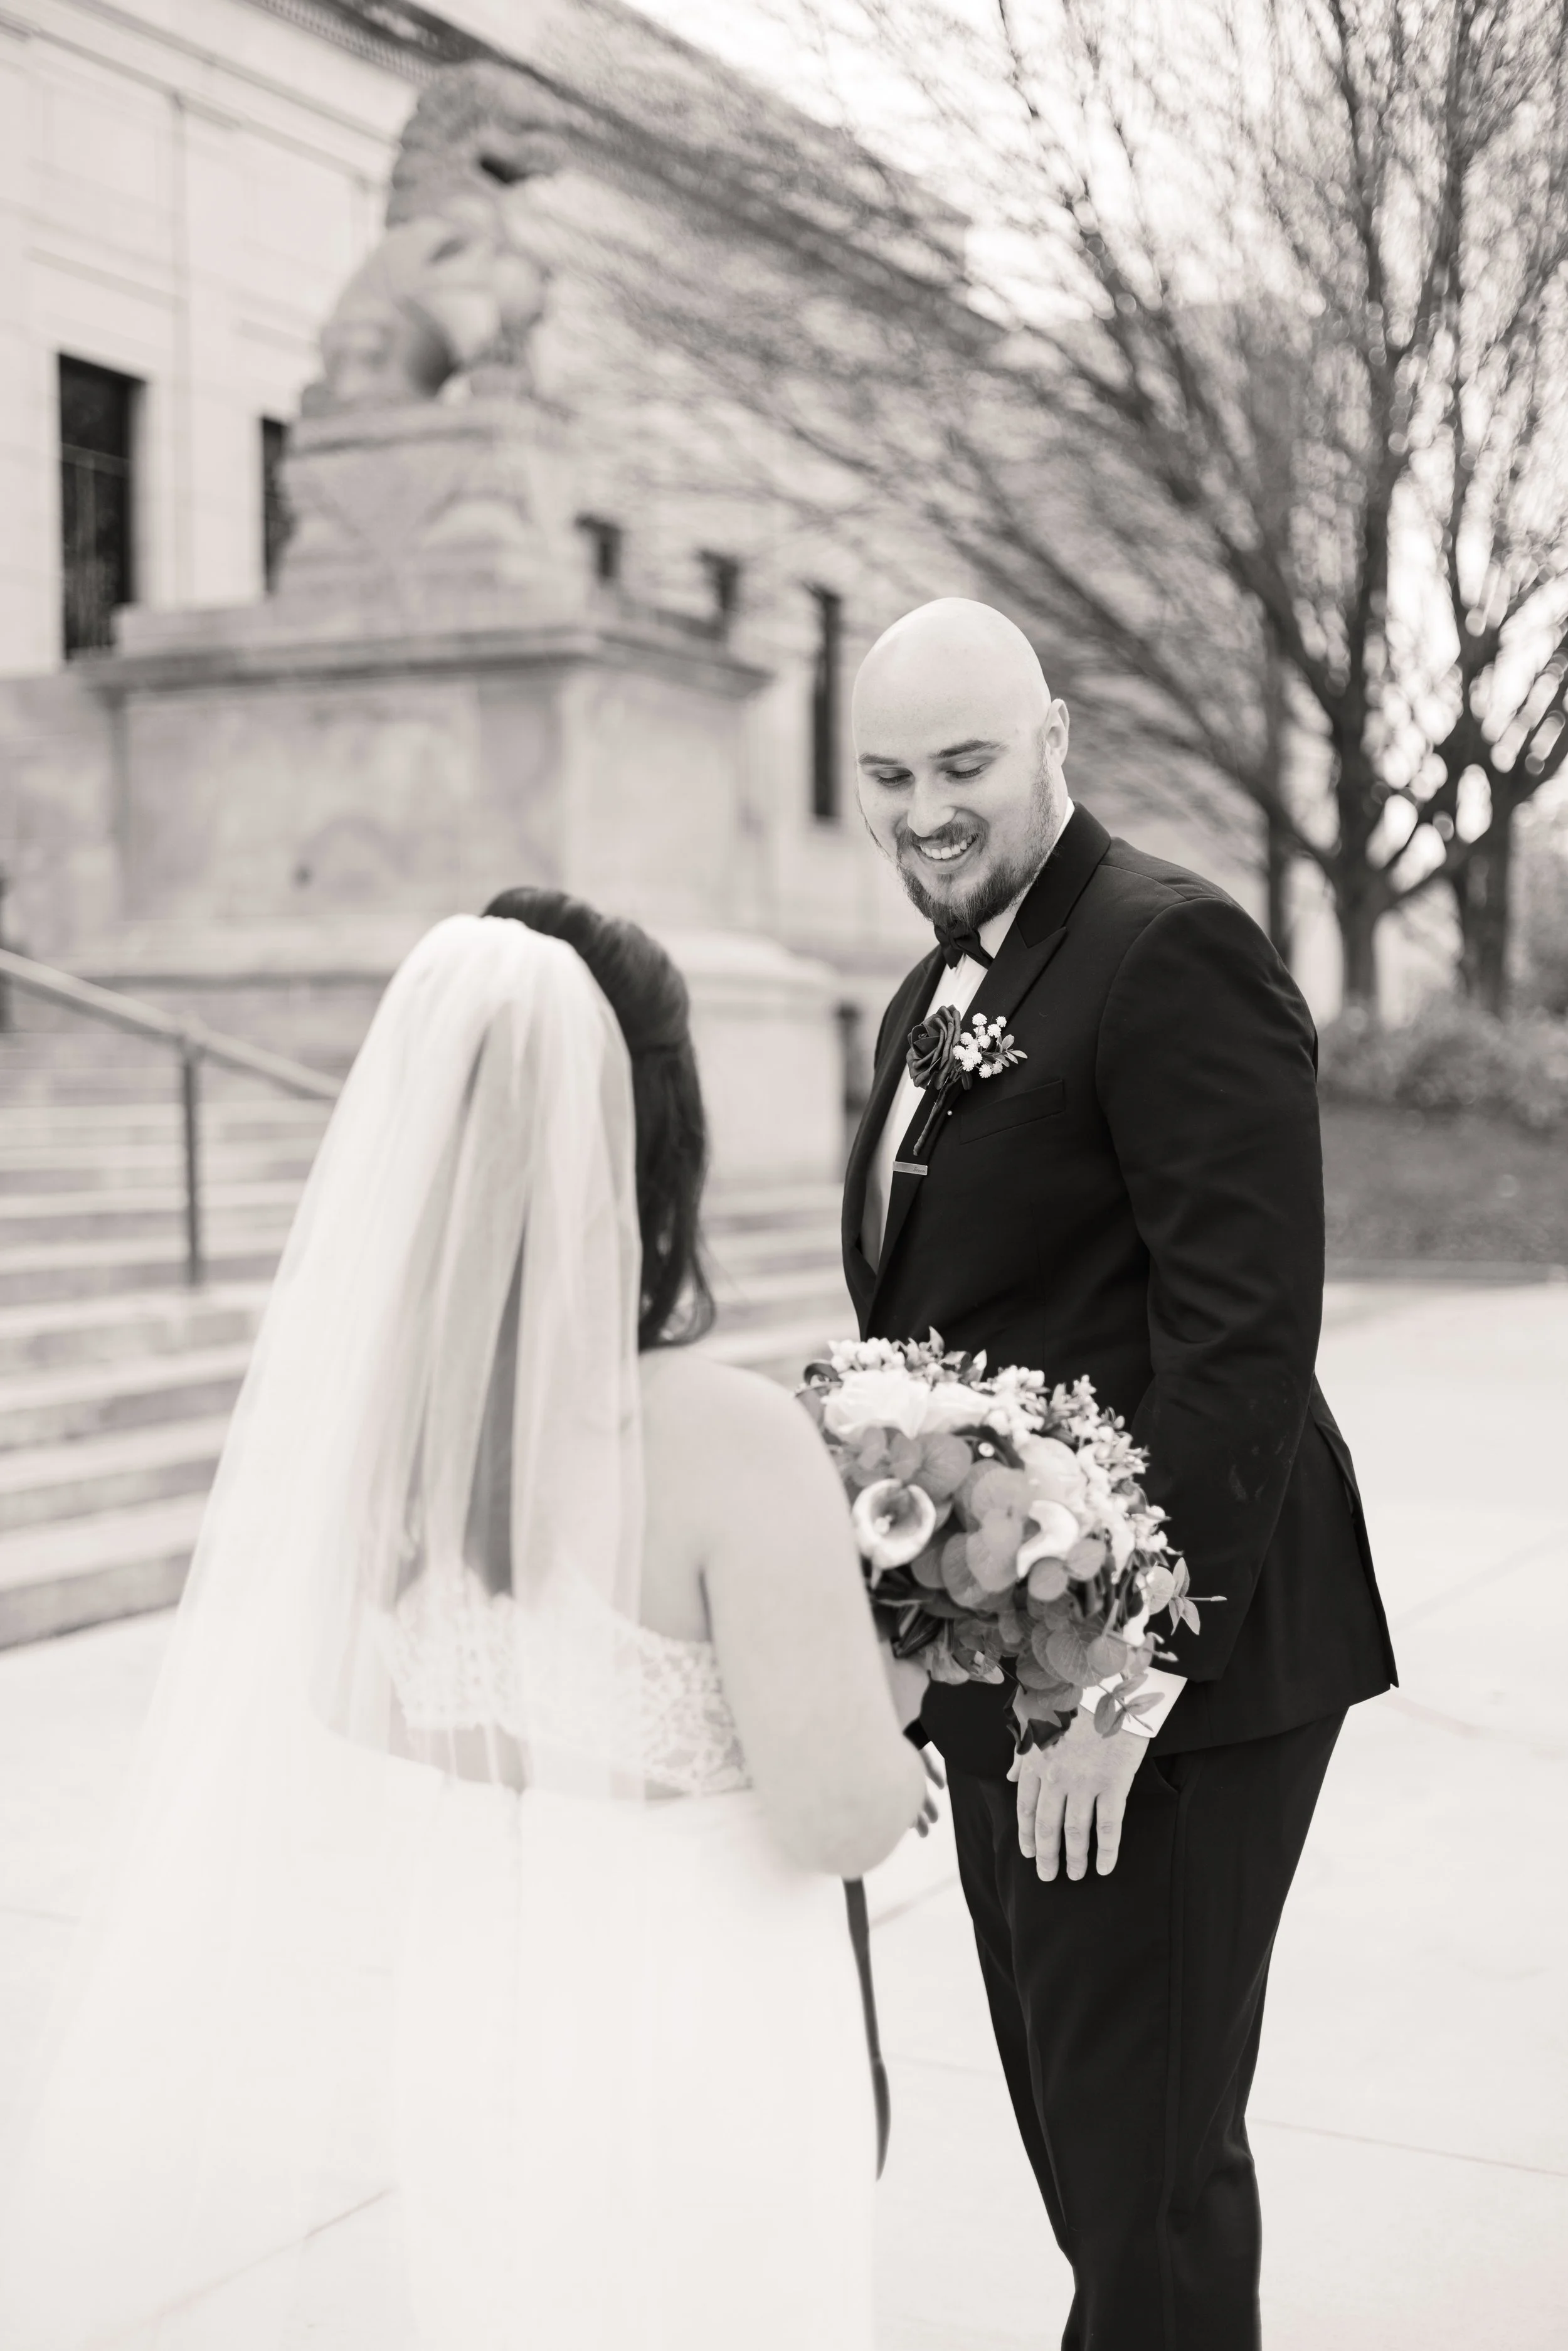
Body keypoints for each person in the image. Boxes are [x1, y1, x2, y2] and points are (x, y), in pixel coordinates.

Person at [0, 899, 927, 2351]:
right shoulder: (728, 1440)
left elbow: (347, 1690)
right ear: (658, 1135)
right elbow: (843, 1813)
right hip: (699, 2014)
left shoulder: (391, 1435)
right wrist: (908, 1664)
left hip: (474, 2005)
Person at [844, 598, 1396, 2351]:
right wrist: (904, 1640)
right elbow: (940, 1338)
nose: (923, 810)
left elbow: (1239, 1344)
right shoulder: (936, 989)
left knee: (1144, 2178)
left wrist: (1112, 1678)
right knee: (1095, 2163)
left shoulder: (1168, 949)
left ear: (1052, 739)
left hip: (1163, 1676)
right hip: (1004, 1658)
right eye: (885, 776)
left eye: (960, 764)